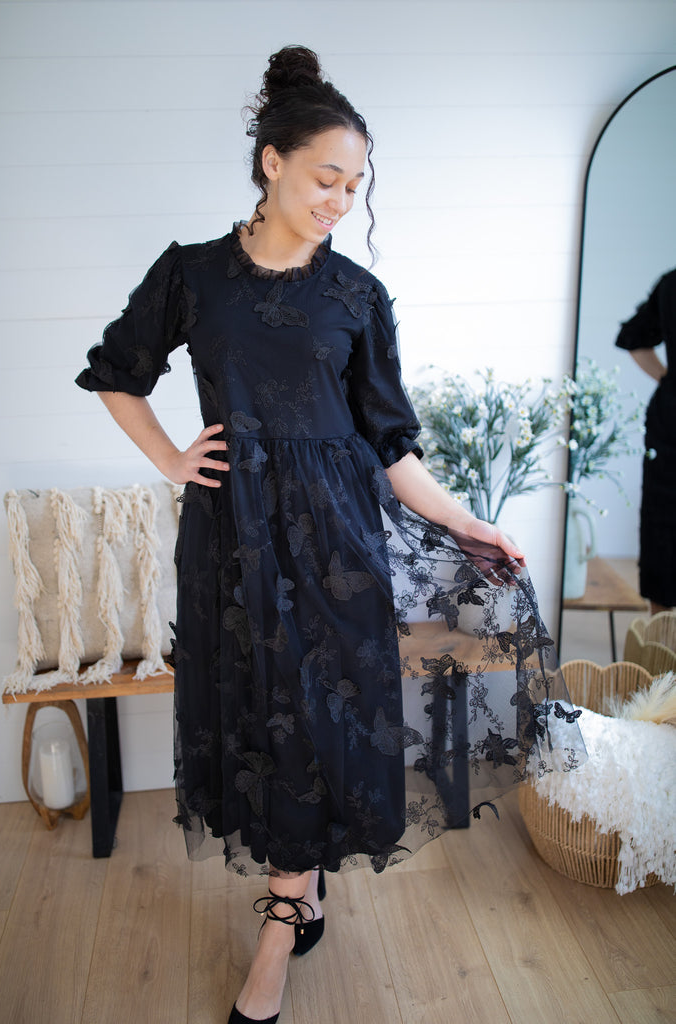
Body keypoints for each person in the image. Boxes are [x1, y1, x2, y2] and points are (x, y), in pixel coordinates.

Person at [76, 45, 585, 1024]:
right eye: (325, 178)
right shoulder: (192, 275)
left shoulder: (355, 295)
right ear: (271, 161)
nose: (340, 200)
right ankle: (300, 891)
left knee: (316, 721)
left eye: (355, 184)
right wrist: (171, 458)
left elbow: (390, 446)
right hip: (231, 538)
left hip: (336, 544)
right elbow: (116, 372)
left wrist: (464, 519)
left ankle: (280, 923)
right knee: (254, 716)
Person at [616, 268, 676, 615]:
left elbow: (634, 337)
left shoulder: (671, 283)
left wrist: (669, 380)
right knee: (663, 519)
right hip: (670, 423)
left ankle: (659, 631)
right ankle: (660, 632)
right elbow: (634, 337)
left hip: (671, 416)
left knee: (664, 519)